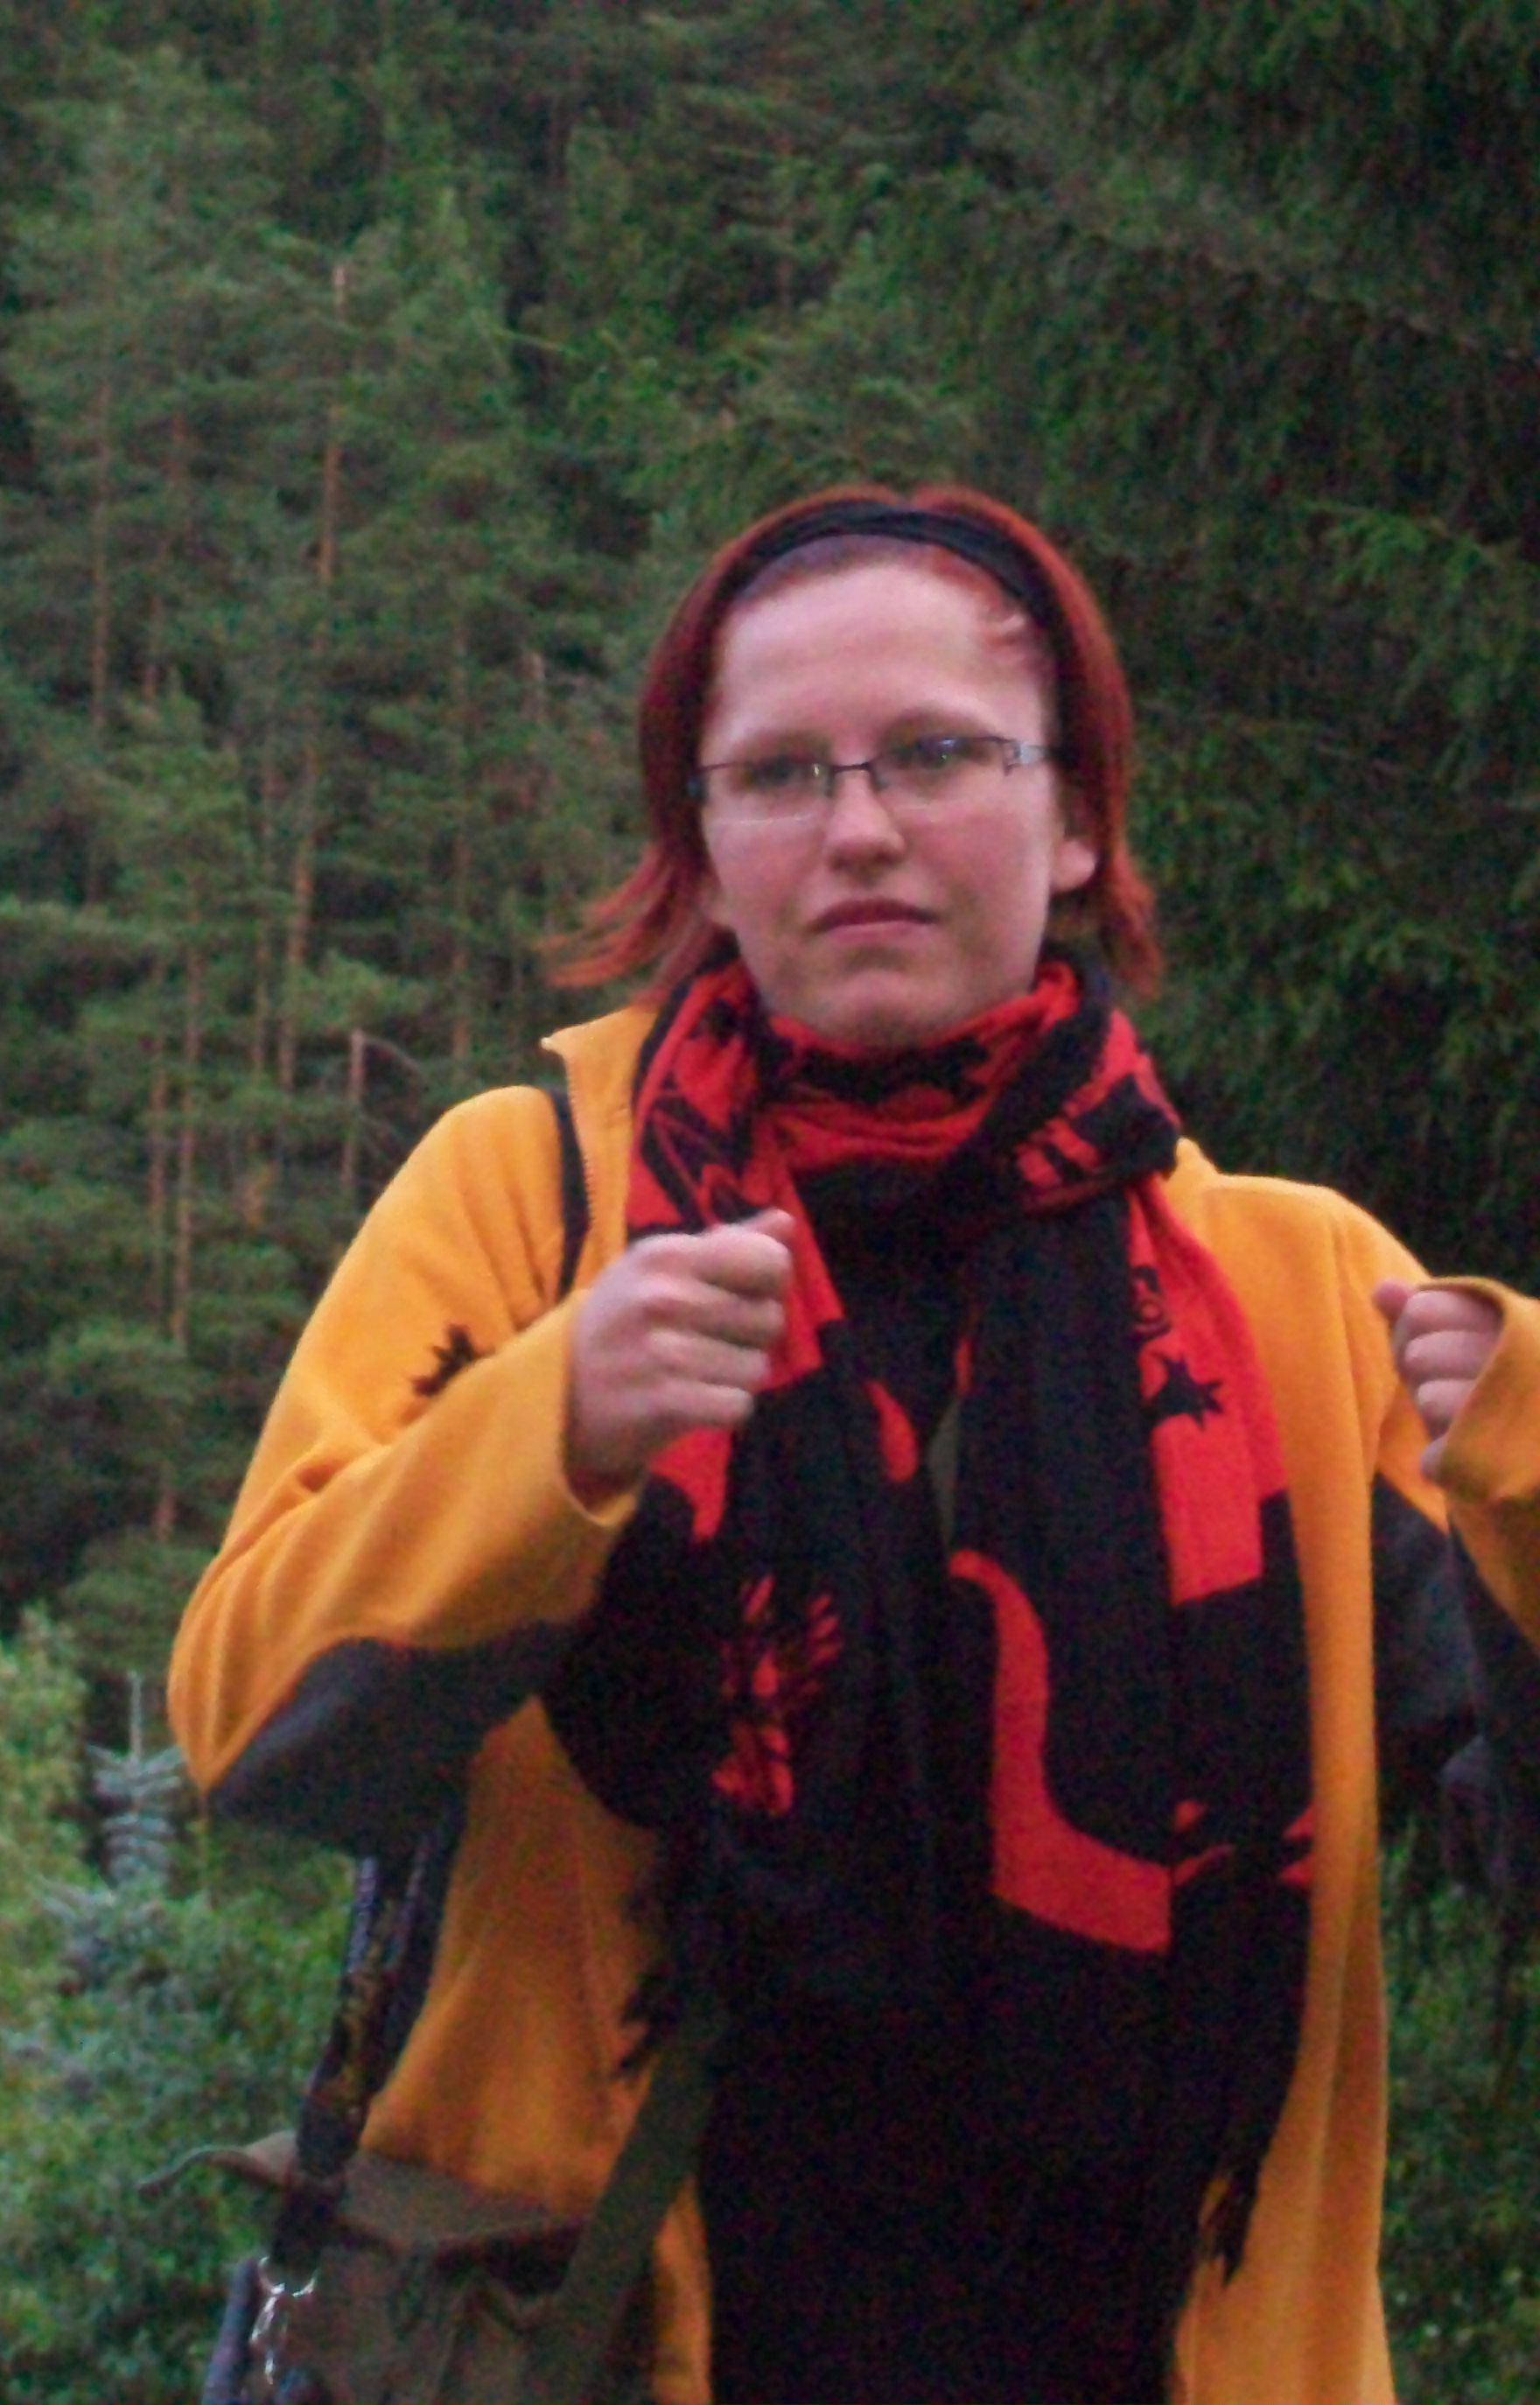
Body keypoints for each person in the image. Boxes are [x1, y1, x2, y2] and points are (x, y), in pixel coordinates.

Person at [169, 486, 1540, 2405]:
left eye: (935, 756)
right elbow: (251, 1733)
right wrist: (549, 1434)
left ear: (1077, 820)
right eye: (779, 775)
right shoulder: (527, 1199)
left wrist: (1529, 1493)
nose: (860, 827)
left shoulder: (1298, 1302)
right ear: (702, 846)